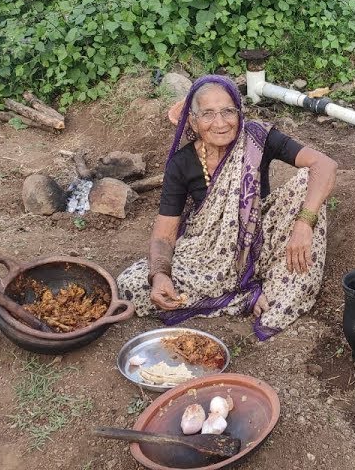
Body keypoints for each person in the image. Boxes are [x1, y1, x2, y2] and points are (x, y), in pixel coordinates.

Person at [117, 75, 338, 339]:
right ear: (193, 121)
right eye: (208, 114)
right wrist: (160, 276)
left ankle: (260, 286)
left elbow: (324, 165)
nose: (220, 123)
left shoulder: (257, 139)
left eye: (227, 112)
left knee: (307, 182)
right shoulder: (182, 163)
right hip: (208, 258)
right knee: (132, 285)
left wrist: (304, 223)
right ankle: (245, 298)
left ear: (239, 112)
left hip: (261, 245)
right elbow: (164, 236)